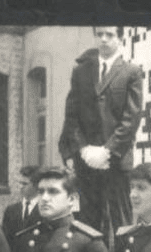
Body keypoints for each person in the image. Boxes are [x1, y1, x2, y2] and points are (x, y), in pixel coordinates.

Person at [58, 26, 144, 240]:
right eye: (100, 35)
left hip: (116, 161)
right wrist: (83, 148)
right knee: (88, 224)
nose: (104, 40)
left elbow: (131, 118)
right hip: (86, 162)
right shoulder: (81, 71)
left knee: (121, 223)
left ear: (120, 38)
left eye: (110, 35)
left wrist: (107, 151)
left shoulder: (131, 71)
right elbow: (72, 115)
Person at [2, 165, 41, 245]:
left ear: (36, 186)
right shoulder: (11, 211)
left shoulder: (43, 210)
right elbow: (5, 242)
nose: (20, 187)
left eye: (24, 184)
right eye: (19, 183)